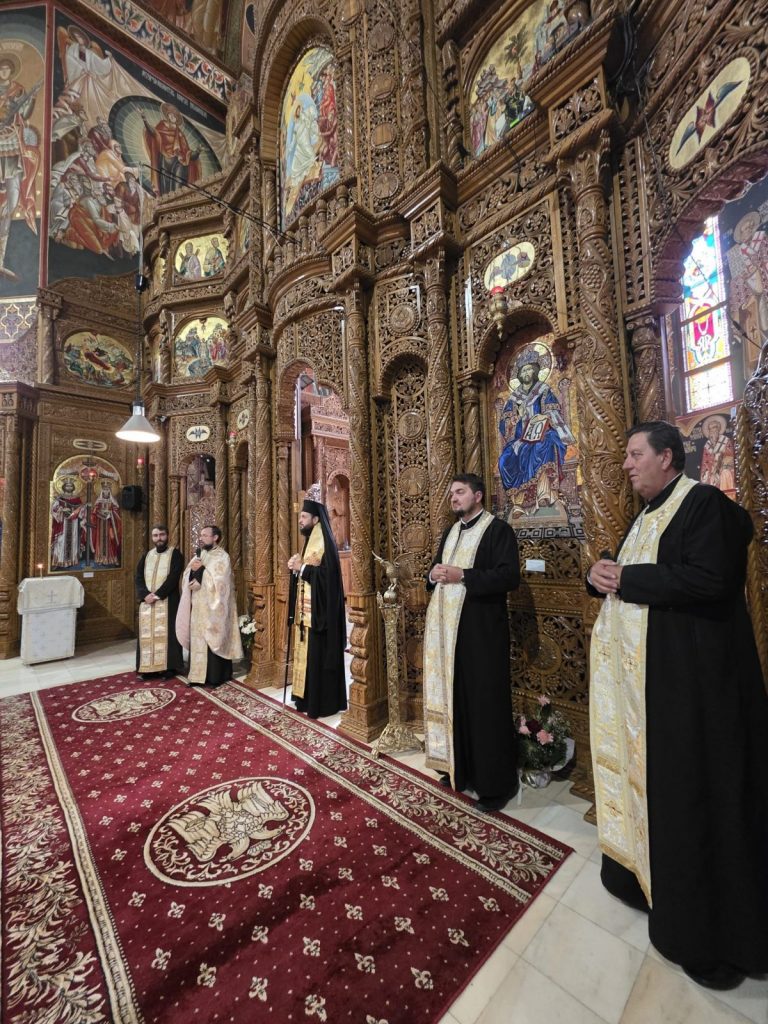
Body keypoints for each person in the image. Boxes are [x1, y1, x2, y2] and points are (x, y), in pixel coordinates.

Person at [587, 421, 768, 990]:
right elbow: (628, 573)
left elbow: (709, 580)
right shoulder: (646, 515)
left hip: (696, 694)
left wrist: (626, 578)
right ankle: (647, 882)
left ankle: (710, 934)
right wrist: (598, 574)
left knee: (698, 799)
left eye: (634, 453)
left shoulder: (703, 505)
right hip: (651, 692)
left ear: (667, 457)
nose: (626, 464)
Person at [423, 473, 520, 812]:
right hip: (449, 637)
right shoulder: (451, 531)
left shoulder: (498, 531)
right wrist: (432, 575)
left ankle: (495, 786)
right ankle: (459, 770)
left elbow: (509, 577)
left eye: (460, 492)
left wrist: (463, 574)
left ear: (477, 496)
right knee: (456, 702)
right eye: (452, 493)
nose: (454, 498)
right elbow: (437, 569)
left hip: (482, 636)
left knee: (485, 707)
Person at [287, 493, 347, 718]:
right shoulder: (311, 539)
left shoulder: (324, 542)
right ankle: (306, 700)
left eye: (304, 516)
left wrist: (301, 568)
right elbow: (309, 573)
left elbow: (326, 578)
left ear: (315, 519)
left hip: (321, 614)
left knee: (318, 656)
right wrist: (296, 569)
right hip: (308, 613)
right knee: (309, 657)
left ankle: (322, 703)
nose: (300, 520)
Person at [498, 350, 574, 516]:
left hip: (542, 433)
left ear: (535, 371)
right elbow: (504, 425)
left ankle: (544, 494)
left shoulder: (543, 391)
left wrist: (544, 417)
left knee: (544, 445)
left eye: (529, 369)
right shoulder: (514, 398)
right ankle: (518, 503)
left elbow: (554, 412)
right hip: (520, 439)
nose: (526, 373)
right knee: (505, 458)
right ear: (519, 375)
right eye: (523, 371)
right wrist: (516, 418)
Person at [176, 524, 242, 687]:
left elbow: (221, 582)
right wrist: (193, 574)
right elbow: (187, 573)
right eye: (201, 535)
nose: (201, 538)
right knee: (198, 639)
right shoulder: (200, 554)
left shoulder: (222, 556)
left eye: (205, 535)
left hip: (213, 609)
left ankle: (215, 677)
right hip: (198, 606)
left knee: (212, 638)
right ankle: (197, 676)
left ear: (215, 537)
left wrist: (201, 572)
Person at [135, 524, 184, 679]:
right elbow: (138, 577)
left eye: (162, 535)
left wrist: (157, 595)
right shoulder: (147, 555)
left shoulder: (175, 554)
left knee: (169, 635)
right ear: (152, 537)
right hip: (147, 603)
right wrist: (144, 595)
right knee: (147, 634)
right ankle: (149, 668)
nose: (159, 538)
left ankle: (170, 668)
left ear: (167, 536)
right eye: (155, 535)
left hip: (168, 601)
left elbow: (173, 578)